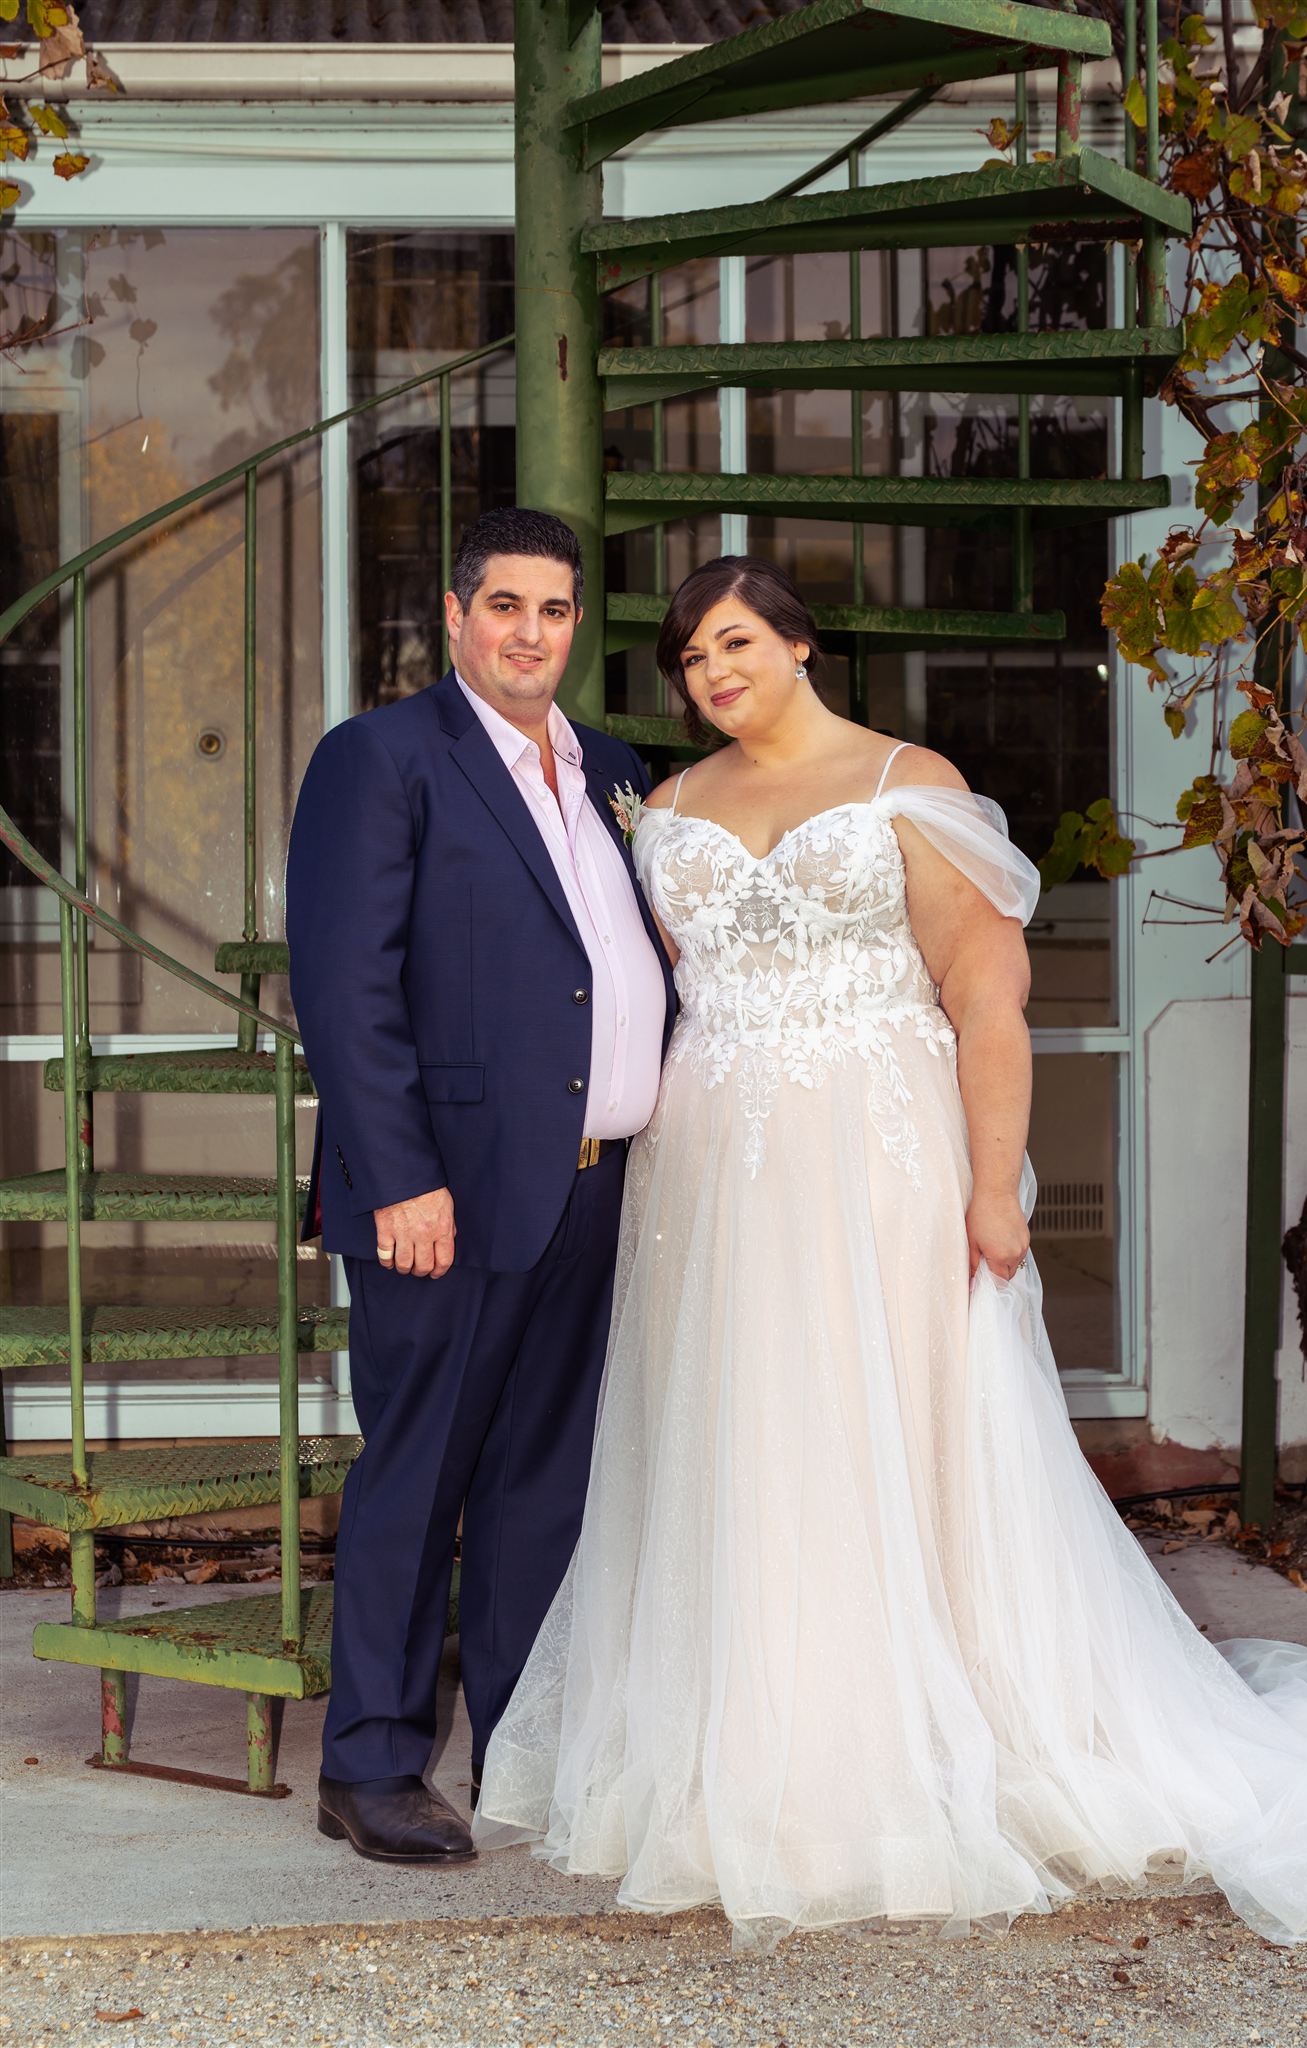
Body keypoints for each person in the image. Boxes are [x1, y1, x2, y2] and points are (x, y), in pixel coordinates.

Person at [476, 555, 1307, 1947]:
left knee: (895, 1424)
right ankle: (762, 1738)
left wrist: (991, 1186)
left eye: (735, 644)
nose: (713, 674)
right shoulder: (667, 807)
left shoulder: (906, 783)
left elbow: (986, 998)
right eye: (690, 659)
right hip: (715, 1168)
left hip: (877, 1151)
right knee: (747, 1431)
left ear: (798, 645)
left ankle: (917, 1735)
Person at [285, 507, 674, 1865]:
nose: (529, 633)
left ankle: (522, 1743)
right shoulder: (382, 758)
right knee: (419, 1473)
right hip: (441, 1195)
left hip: (593, 1186)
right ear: (455, 617)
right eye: (503, 605)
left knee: (541, 1482)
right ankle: (370, 1762)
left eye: (553, 609)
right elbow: (345, 987)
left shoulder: (613, 767)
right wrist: (398, 1179)